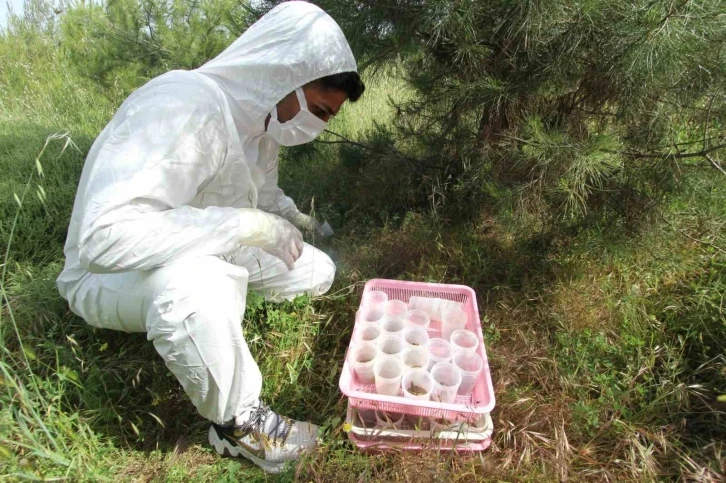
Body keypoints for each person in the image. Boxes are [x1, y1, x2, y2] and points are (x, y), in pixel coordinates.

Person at [56, 1, 364, 474]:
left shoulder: (261, 128)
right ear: (285, 76)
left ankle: (219, 306)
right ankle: (240, 426)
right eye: (319, 110)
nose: (317, 127)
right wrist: (245, 226)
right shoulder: (183, 104)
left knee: (315, 268)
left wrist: (292, 219)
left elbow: (262, 192)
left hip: (203, 245)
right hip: (112, 274)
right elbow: (104, 239)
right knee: (197, 284)